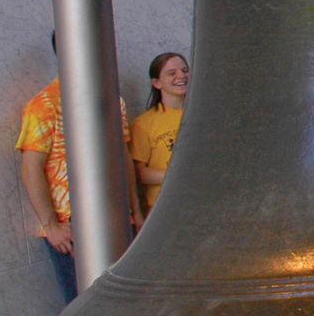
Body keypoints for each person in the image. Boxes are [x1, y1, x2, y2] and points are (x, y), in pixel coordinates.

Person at [17, 32, 138, 304]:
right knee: (85, 304)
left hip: (120, 219)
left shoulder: (112, 100)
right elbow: (30, 168)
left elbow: (125, 160)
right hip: (72, 228)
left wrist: (137, 214)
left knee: (127, 305)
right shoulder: (44, 105)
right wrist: (51, 225)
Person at [131, 52, 189, 222]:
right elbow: (138, 173)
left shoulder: (206, 116)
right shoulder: (143, 123)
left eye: (185, 70)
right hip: (165, 212)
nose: (181, 76)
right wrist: (178, 176)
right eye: (171, 73)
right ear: (157, 83)